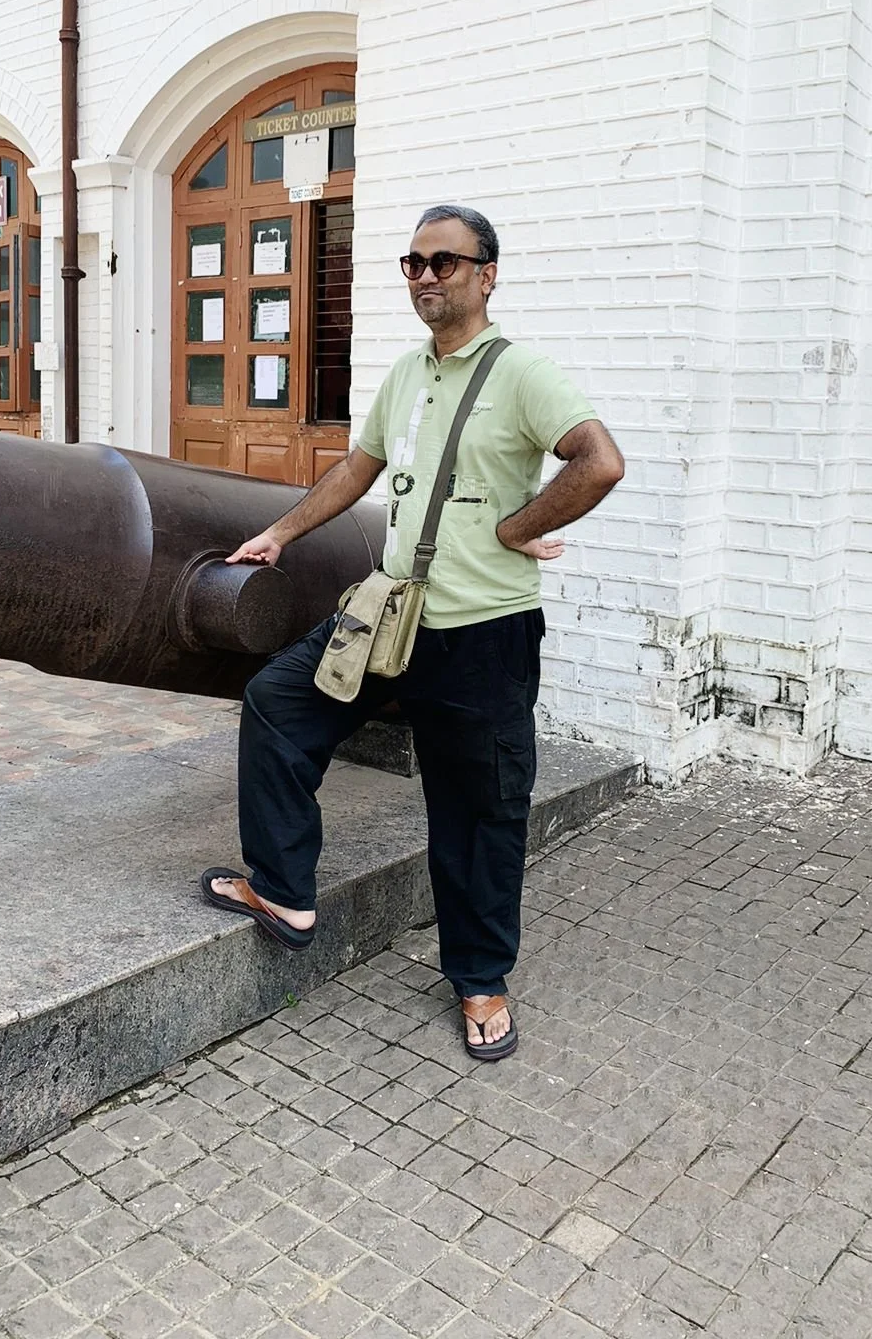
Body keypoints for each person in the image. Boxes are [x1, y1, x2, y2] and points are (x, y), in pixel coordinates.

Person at [202, 205, 623, 1060]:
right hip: (390, 613)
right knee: (279, 703)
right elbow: (359, 468)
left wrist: (514, 528)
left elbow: (599, 460)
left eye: (445, 262)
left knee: (478, 811)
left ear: (486, 273)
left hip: (483, 633)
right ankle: (284, 892)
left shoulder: (522, 373)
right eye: (413, 263)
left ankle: (479, 980)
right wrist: (283, 532)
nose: (426, 277)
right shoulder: (404, 374)